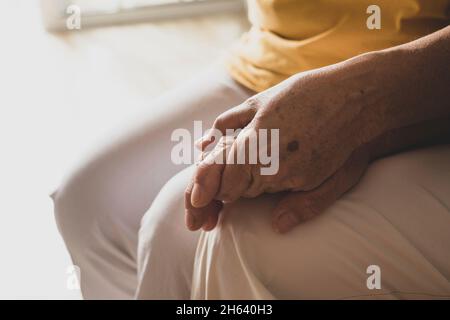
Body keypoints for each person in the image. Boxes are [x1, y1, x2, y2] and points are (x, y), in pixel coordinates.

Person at [53, 0, 450, 299]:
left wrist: (363, 108)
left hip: (410, 77)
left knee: (197, 224)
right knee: (90, 202)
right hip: (274, 58)